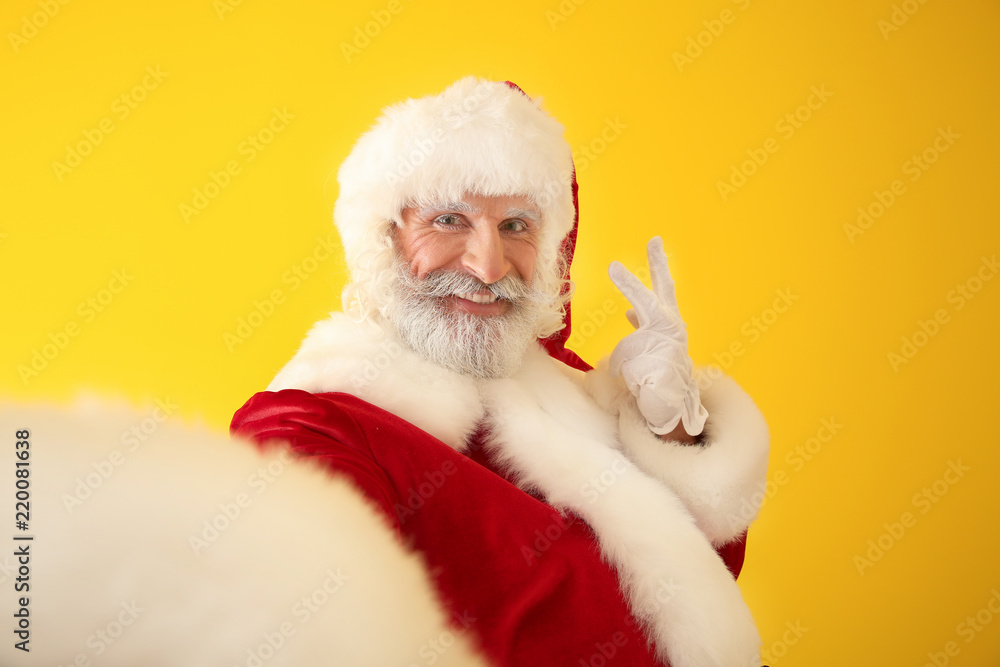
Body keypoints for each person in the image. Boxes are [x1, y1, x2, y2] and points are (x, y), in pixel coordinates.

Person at [231, 77, 770, 667]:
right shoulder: (321, 420)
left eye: (515, 225)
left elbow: (697, 589)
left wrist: (671, 431)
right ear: (385, 239)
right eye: (448, 220)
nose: (488, 267)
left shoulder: (567, 392)